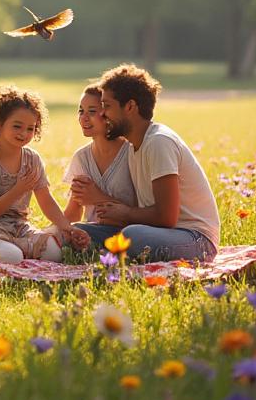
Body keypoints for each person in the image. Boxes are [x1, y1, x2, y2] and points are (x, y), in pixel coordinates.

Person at [74, 64, 221, 262]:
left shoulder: (158, 142)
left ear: (130, 107)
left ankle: (110, 256)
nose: (102, 114)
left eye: (107, 106)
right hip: (158, 233)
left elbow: (166, 217)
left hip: (195, 240)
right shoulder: (135, 145)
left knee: (132, 236)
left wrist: (124, 213)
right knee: (77, 232)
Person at [0, 85, 90, 264]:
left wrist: (68, 228)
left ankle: (20, 245)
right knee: (12, 257)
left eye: (31, 128)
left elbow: (46, 200)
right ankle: (6, 250)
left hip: (17, 224)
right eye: (17, 126)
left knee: (54, 254)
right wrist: (18, 190)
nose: (24, 133)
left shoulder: (32, 160)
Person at [61, 86, 136, 224]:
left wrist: (98, 197)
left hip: (130, 235)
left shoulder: (133, 153)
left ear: (109, 113)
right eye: (81, 111)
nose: (83, 118)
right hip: (90, 236)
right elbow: (73, 213)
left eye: (92, 111)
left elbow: (144, 213)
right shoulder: (81, 157)